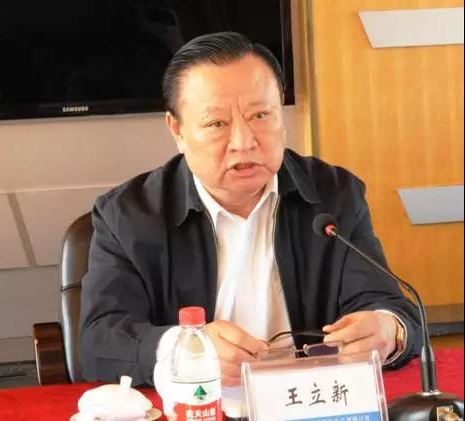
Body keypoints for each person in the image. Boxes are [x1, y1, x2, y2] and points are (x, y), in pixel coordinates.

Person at [79, 32, 421, 387]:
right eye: (217, 124)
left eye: (260, 115)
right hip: (199, 403)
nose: (244, 142)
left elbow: (391, 308)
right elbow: (99, 342)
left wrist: (389, 331)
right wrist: (187, 350)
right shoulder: (128, 215)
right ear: (177, 130)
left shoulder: (335, 196)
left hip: (313, 400)